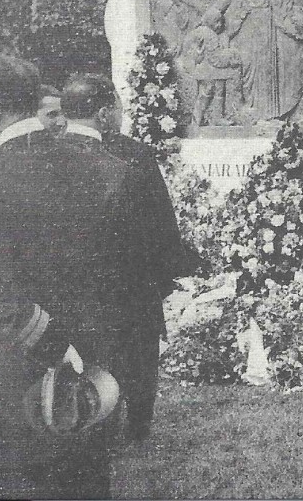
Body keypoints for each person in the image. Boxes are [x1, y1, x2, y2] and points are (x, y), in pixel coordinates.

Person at [0, 52, 145, 498]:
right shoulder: (113, 170)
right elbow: (133, 280)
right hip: (98, 378)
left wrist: (59, 348)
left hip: (17, 377)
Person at [63, 74, 200, 440]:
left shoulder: (43, 154)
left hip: (67, 286)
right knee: (138, 356)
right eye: (120, 106)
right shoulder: (131, 155)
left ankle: (82, 419)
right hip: (128, 283)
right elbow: (159, 224)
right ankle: (136, 425)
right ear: (106, 113)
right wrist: (169, 272)